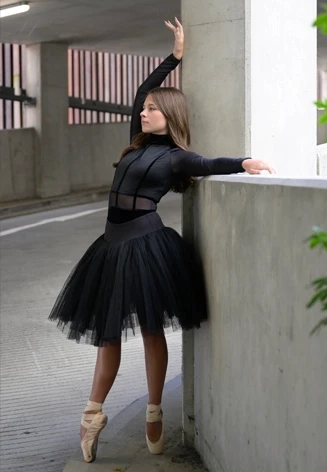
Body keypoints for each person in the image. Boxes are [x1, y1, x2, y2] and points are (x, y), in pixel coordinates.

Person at [48, 18, 275, 464]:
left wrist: (245, 162)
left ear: (168, 116)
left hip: (147, 246)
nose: (143, 111)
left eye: (152, 109)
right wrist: (174, 57)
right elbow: (138, 92)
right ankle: (93, 414)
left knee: (152, 331)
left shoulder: (175, 157)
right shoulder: (133, 146)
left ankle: (154, 412)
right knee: (107, 334)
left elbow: (209, 162)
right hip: (111, 247)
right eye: (145, 107)